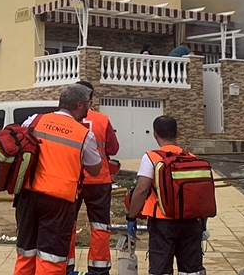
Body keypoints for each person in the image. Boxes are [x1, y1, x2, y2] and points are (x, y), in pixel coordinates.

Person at [13, 84, 102, 275]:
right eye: (88, 103)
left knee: (26, 252)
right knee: (51, 258)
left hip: (28, 196)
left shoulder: (34, 121)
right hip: (59, 202)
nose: (89, 107)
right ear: (79, 105)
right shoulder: (84, 135)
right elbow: (95, 170)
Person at [125, 116, 205, 275]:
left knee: (160, 269)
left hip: (162, 224)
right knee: (192, 270)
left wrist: (132, 217)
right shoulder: (192, 158)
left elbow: (141, 190)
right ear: (178, 133)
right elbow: (200, 194)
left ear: (155, 134)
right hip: (191, 222)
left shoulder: (151, 158)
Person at [67, 81, 120, 275]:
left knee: (67, 223)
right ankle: (99, 269)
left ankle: (65, 266)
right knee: (99, 226)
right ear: (90, 98)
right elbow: (113, 149)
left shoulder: (65, 120)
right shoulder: (102, 120)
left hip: (72, 179)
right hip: (99, 181)